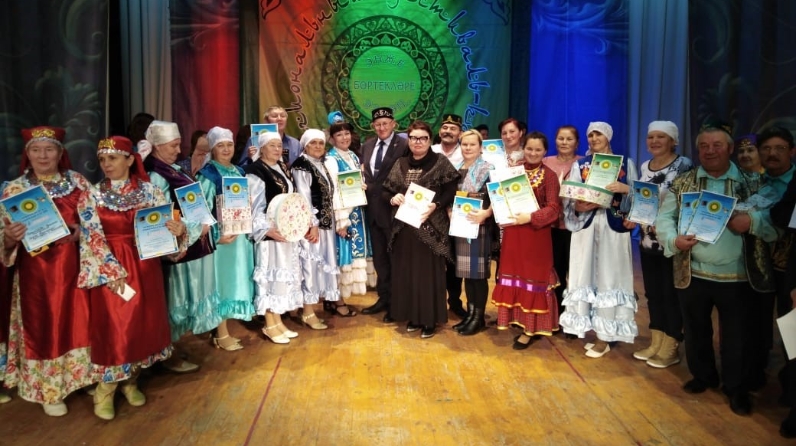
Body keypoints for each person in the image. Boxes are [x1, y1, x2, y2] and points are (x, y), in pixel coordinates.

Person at [655, 120, 778, 416]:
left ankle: (736, 388)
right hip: (693, 272)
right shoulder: (683, 182)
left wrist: (752, 222)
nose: (710, 151)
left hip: (738, 275)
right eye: (704, 146)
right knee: (696, 330)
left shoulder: (753, 182)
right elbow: (664, 218)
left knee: (737, 337)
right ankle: (703, 376)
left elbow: (775, 220)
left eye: (717, 145)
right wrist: (673, 240)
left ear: (730, 148)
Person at [1, 126, 126, 416]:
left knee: (81, 321)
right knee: (46, 326)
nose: (43, 156)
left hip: (77, 268)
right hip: (36, 275)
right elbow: (3, 239)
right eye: (36, 150)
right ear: (27, 154)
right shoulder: (14, 190)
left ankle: (82, 377)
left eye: (49, 149)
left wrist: (81, 231)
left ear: (60, 153)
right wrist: (9, 238)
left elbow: (97, 222)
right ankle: (49, 388)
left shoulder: (78, 182)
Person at [88, 135, 182, 420]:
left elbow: (165, 229)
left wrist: (177, 231)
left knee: (143, 323)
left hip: (144, 267)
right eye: (102, 159)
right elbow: (92, 237)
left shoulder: (150, 192)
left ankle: (131, 381)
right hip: (112, 268)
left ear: (130, 159)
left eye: (112, 158)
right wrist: (110, 270)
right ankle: (106, 389)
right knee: (116, 327)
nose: (106, 164)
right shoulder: (92, 194)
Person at [142, 120, 221, 372]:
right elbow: (161, 217)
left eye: (179, 145)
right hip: (179, 251)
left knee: (185, 301)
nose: (178, 150)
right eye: (173, 146)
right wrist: (196, 227)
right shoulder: (156, 174)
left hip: (194, 244)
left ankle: (173, 349)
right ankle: (168, 354)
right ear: (157, 146)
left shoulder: (172, 168)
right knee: (174, 302)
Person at [559, 121, 638, 358]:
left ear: (608, 137)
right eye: (590, 135)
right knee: (585, 275)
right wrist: (579, 206)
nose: (594, 139)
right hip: (587, 227)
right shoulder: (581, 164)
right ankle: (595, 331)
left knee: (609, 277)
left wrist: (626, 189)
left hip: (613, 228)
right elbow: (570, 198)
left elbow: (639, 197)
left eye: (598, 134)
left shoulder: (625, 163)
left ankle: (606, 336)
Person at [383, 120, 460, 339]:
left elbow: (451, 190)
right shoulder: (400, 163)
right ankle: (413, 317)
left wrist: (436, 205)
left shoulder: (440, 162)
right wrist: (393, 198)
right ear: (408, 140)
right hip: (404, 229)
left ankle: (429, 319)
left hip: (430, 228)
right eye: (414, 138)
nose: (418, 142)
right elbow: (386, 190)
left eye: (423, 138)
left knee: (428, 276)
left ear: (429, 140)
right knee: (407, 274)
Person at [631, 121, 693, 368]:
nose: (655, 141)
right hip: (647, 241)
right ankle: (656, 341)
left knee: (670, 295)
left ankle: (671, 344)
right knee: (653, 294)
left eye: (661, 137)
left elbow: (686, 203)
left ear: (673, 141)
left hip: (670, 241)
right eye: (651, 137)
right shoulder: (645, 166)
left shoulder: (684, 165)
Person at [492, 132, 561, 348]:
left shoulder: (549, 176)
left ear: (545, 151)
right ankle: (516, 319)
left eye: (538, 149)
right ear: (524, 149)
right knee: (514, 277)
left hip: (536, 236)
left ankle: (530, 329)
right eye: (529, 148)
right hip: (513, 233)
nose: (533, 153)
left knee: (532, 280)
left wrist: (531, 217)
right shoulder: (514, 172)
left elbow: (554, 208)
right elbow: (499, 196)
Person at [196, 127, 257, 350]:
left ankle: (225, 330)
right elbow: (201, 211)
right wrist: (216, 236)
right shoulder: (208, 174)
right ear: (212, 149)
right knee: (222, 283)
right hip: (222, 240)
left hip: (239, 236)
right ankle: (221, 334)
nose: (226, 149)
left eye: (229, 145)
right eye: (220, 146)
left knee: (236, 280)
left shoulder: (239, 171)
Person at [746, 126, 796, 393]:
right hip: (760, 266)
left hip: (792, 270)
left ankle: (790, 383)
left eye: (780, 148)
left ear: (792, 151)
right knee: (756, 323)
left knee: (792, 328)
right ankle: (756, 372)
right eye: (766, 148)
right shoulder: (754, 183)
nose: (772, 153)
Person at [246, 132, 304, 344]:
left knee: (282, 278)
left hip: (285, 233)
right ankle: (269, 324)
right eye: (272, 145)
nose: (277, 149)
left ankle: (278, 321)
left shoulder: (282, 167)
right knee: (270, 277)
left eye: (279, 145)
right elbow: (254, 207)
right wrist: (267, 230)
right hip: (270, 235)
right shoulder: (255, 171)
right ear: (262, 148)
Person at [360, 107, 410, 322]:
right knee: (380, 259)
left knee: (395, 259)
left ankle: (397, 304)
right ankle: (384, 298)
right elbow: (365, 174)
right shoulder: (367, 145)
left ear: (393, 124)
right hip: (372, 211)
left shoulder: (404, 145)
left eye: (385, 123)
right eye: (378, 124)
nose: (381, 127)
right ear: (373, 126)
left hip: (394, 210)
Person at [291, 129, 344, 329]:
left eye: (320, 143)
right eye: (313, 143)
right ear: (305, 145)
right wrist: (311, 224)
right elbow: (303, 197)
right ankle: (307, 312)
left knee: (319, 266)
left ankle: (310, 309)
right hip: (312, 226)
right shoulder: (302, 165)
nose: (317, 146)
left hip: (324, 226)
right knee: (310, 267)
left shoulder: (319, 164)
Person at [449, 130, 495, 335]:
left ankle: (479, 318)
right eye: (464, 144)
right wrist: (449, 211)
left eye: (472, 144)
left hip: (479, 227)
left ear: (480, 147)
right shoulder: (456, 169)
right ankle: (470, 314)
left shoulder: (489, 169)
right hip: (461, 227)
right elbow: (450, 196)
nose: (468, 148)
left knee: (478, 275)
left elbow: (498, 195)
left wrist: (486, 213)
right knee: (467, 274)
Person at [324, 121, 374, 307]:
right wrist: (341, 221)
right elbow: (334, 191)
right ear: (332, 139)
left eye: (346, 133)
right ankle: (336, 300)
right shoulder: (331, 159)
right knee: (342, 256)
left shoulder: (352, 155)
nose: (344, 138)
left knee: (354, 255)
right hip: (344, 215)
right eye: (339, 135)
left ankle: (340, 299)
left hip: (357, 212)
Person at [542, 125, 583, 313]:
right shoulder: (546, 162)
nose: (564, 142)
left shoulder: (584, 163)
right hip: (550, 227)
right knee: (555, 271)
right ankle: (556, 313)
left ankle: (574, 315)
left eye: (569, 139)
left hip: (577, 227)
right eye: (561, 138)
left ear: (577, 143)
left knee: (575, 272)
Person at [431, 113, 467, 319]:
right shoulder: (432, 151)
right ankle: (434, 302)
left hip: (457, 214)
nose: (448, 131)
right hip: (433, 213)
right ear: (439, 131)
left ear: (460, 133)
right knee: (434, 260)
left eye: (453, 128)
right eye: (445, 127)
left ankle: (454, 301)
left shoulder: (466, 152)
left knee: (454, 261)